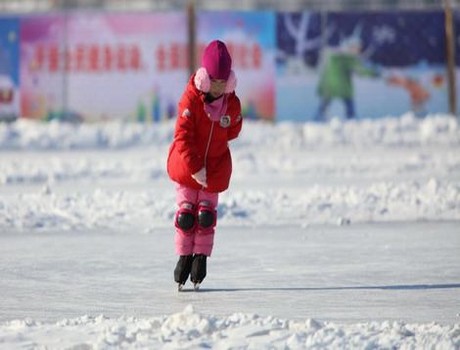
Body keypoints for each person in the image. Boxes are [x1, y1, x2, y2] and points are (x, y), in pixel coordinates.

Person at [166, 40, 243, 290]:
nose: (219, 89)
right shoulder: (190, 99)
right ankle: (183, 258)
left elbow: (233, 131)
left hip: (215, 169)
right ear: (205, 79)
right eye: (215, 82)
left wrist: (229, 121)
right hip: (188, 167)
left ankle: (200, 260)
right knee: (187, 216)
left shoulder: (231, 102)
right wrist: (196, 166)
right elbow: (182, 136)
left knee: (206, 217)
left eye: (224, 83)